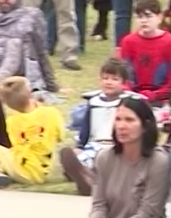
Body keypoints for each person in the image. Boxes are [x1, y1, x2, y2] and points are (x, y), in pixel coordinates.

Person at [45, 98, 170, 218]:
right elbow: (99, 204)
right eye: (118, 119)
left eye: (129, 120)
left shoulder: (158, 161)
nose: (122, 126)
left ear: (145, 126)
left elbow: (148, 214)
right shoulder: (105, 158)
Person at [60, 59, 142, 195]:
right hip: (95, 144)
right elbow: (86, 127)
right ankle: (83, 175)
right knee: (84, 159)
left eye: (114, 79)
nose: (108, 82)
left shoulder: (129, 103)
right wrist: (80, 146)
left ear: (123, 83)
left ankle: (93, 179)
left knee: (116, 163)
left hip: (118, 146)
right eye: (105, 78)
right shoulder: (94, 102)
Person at [0, 0, 59, 93]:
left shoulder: (30, 16)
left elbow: (41, 51)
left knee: (14, 44)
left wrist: (50, 83)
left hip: (18, 66)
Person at [0, 76, 63, 185]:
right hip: (43, 171)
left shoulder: (12, 121)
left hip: (21, 168)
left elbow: (15, 146)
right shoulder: (52, 113)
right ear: (30, 93)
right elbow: (60, 137)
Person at [119, 0, 171, 102]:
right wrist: (131, 93)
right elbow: (125, 73)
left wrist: (155, 95)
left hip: (161, 98)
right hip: (132, 97)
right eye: (139, 17)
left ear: (159, 17)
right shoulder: (128, 42)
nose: (144, 21)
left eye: (148, 16)